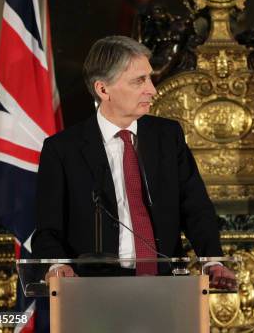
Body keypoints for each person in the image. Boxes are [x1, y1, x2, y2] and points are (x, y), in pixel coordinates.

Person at [32, 36, 233, 287]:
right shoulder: (63, 149)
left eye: (149, 78)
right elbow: (47, 229)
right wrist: (58, 266)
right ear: (103, 90)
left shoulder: (168, 136)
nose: (152, 89)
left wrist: (212, 260)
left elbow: (195, 207)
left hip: (163, 285)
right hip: (92, 289)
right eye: (139, 81)